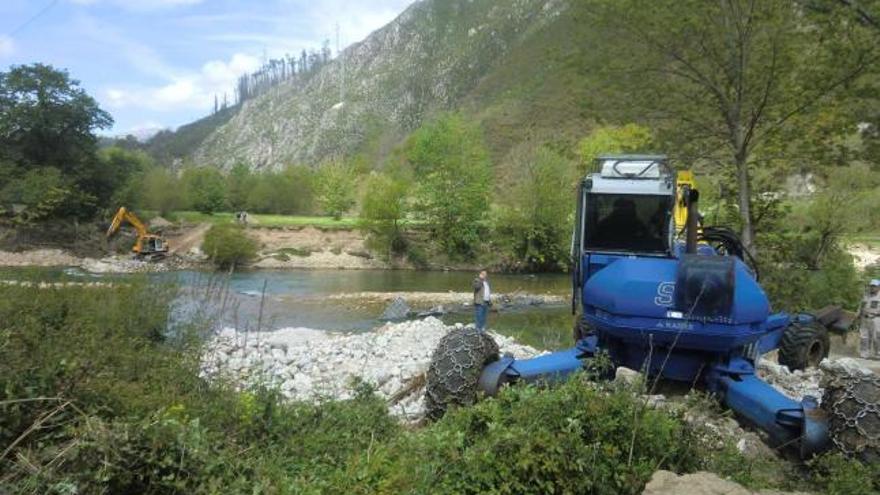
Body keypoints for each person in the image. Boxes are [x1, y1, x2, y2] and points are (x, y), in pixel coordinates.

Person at [859, 279, 880, 360]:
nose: (872, 288)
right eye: (871, 286)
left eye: (874, 286)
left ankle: (878, 355)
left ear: (879, 287)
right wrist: (858, 315)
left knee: (877, 337)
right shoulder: (866, 295)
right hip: (864, 319)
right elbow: (861, 306)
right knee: (863, 337)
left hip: (876, 319)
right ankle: (864, 354)